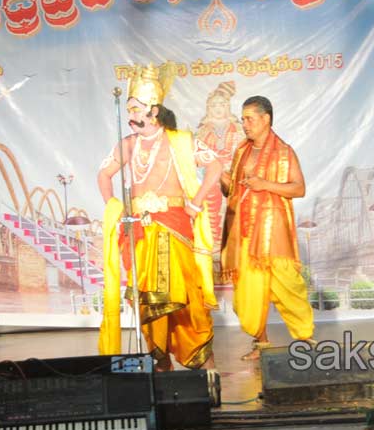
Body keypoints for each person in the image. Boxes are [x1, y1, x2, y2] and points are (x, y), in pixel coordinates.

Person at [97, 62, 221, 370]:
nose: (132, 116)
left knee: (187, 297)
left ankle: (208, 372)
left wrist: (195, 203)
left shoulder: (179, 140)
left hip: (174, 226)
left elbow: (215, 165)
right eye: (129, 110)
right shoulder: (127, 144)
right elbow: (103, 174)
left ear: (154, 111)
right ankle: (161, 369)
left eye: (137, 109)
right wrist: (115, 206)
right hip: (140, 232)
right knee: (147, 303)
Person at [221, 96, 313, 361]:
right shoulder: (242, 151)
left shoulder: (284, 152)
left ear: (266, 119)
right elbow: (233, 191)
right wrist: (222, 179)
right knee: (248, 292)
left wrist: (265, 184)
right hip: (246, 230)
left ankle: (305, 339)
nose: (244, 124)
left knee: (287, 285)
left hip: (274, 230)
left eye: (249, 118)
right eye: (242, 119)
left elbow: (299, 188)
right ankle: (260, 344)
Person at [195, 81, 244, 254]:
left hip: (234, 175)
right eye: (214, 105)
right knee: (211, 194)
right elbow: (197, 159)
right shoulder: (202, 131)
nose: (218, 108)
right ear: (209, 107)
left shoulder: (238, 129)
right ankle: (214, 241)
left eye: (222, 104)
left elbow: (244, 154)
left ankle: (235, 242)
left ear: (228, 107)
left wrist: (230, 168)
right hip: (211, 177)